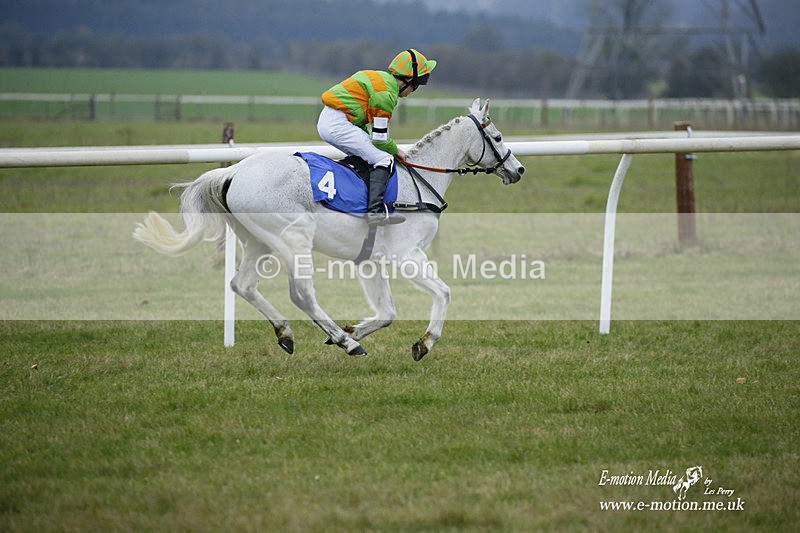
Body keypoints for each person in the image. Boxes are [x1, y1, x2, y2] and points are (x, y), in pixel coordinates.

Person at [317, 49, 437, 226]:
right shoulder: (385, 94)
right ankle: (374, 212)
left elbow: (370, 134)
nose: (414, 91)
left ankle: (356, 197)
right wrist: (397, 151)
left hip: (333, 120)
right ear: (409, 80)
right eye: (417, 85)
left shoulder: (381, 79)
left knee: (368, 155)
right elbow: (380, 139)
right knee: (383, 159)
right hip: (338, 124)